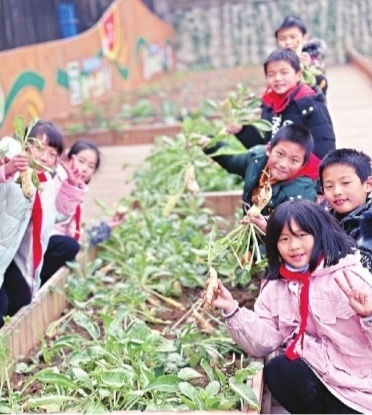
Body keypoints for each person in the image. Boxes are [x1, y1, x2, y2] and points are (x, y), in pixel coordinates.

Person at [210, 199, 372, 414]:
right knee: (279, 370)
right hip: (322, 374)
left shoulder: (349, 277)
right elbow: (263, 342)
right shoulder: (277, 286)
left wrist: (368, 315)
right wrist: (231, 309)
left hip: (361, 384)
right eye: (284, 239)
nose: (293, 246)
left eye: (302, 235)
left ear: (320, 234)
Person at [0, 121, 85, 325]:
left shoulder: (44, 180)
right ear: (25, 144)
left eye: (52, 153)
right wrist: (7, 169)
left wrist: (71, 187)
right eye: (39, 147)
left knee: (22, 303)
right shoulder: (11, 166)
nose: (44, 156)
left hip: (13, 254)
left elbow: (57, 215)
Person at [200, 124, 319, 229]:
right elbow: (231, 160)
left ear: (302, 164)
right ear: (268, 149)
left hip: (276, 251)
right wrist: (208, 143)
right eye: (280, 154)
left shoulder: (305, 190)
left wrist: (266, 226)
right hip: (251, 244)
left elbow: (294, 225)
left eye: (294, 160)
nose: (283, 164)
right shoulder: (256, 161)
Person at [40, 140, 125, 284]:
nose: (85, 169)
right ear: (69, 159)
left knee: (71, 246)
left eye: (91, 166)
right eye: (81, 161)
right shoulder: (56, 181)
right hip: (43, 240)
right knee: (68, 246)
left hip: (54, 243)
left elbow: (77, 235)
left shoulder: (79, 193)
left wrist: (106, 227)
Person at [227, 49, 335, 160]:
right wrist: (242, 131)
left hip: (302, 175)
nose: (277, 78)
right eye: (271, 75)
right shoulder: (269, 106)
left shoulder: (311, 106)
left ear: (298, 75)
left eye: (284, 73)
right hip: (276, 173)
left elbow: (324, 152)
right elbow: (265, 145)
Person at [319, 148, 372, 273]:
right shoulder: (322, 217)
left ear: (368, 185)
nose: (337, 191)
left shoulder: (369, 223)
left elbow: (362, 270)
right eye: (329, 186)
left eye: (346, 183)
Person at [275, 16, 328, 95]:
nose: (288, 42)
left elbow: (322, 84)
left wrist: (308, 68)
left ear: (305, 38)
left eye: (293, 37)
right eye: (282, 39)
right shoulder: (276, 61)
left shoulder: (312, 58)